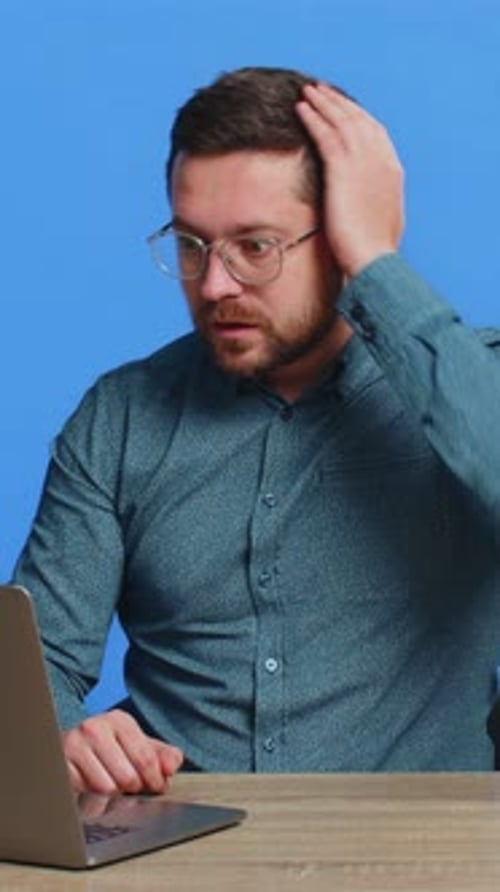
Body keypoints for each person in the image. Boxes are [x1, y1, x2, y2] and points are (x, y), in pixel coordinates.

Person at [10, 66, 500, 795]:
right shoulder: (121, 419)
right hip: (182, 845)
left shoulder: (464, 385)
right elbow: (36, 658)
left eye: (256, 247)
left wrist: (377, 263)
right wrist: (61, 731)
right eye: (191, 244)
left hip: (416, 849)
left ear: (336, 236)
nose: (214, 286)